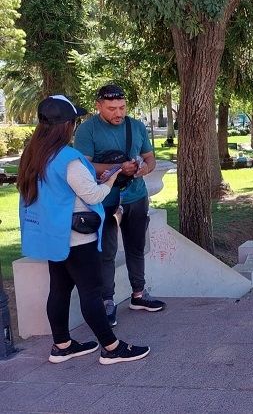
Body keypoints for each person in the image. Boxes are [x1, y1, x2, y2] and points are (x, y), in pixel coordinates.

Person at [18, 95, 150, 365]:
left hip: (53, 236)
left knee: (59, 290)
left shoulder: (33, 155)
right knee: (91, 292)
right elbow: (93, 196)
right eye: (74, 121)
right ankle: (111, 348)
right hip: (78, 237)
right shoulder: (68, 158)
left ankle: (62, 345)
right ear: (65, 125)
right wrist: (112, 178)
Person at [74, 84, 165, 327]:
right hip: (105, 200)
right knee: (107, 252)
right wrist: (117, 169)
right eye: (112, 108)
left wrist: (144, 169)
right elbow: (83, 167)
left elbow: (150, 158)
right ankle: (107, 302)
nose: (118, 113)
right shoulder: (87, 130)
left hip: (135, 195)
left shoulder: (135, 126)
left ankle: (139, 294)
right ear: (99, 106)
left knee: (136, 246)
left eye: (122, 107)